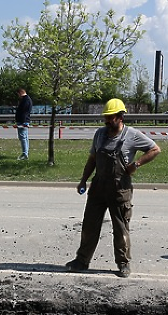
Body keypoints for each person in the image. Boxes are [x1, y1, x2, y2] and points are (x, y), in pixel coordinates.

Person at [65, 98, 161, 278]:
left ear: (120, 117)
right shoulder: (100, 134)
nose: (107, 121)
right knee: (89, 227)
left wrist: (137, 164)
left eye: (111, 117)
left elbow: (155, 149)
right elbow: (92, 159)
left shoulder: (131, 135)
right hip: (98, 187)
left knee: (120, 228)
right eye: (106, 117)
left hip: (119, 189)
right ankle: (82, 261)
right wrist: (83, 180)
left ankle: (123, 263)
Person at [15, 88, 32, 160]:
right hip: (23, 121)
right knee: (25, 137)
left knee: (23, 138)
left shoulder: (26, 100)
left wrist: (22, 122)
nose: (18, 96)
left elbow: (24, 112)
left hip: (23, 121)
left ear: (20, 93)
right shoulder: (26, 99)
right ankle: (26, 153)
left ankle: (25, 154)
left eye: (18, 94)